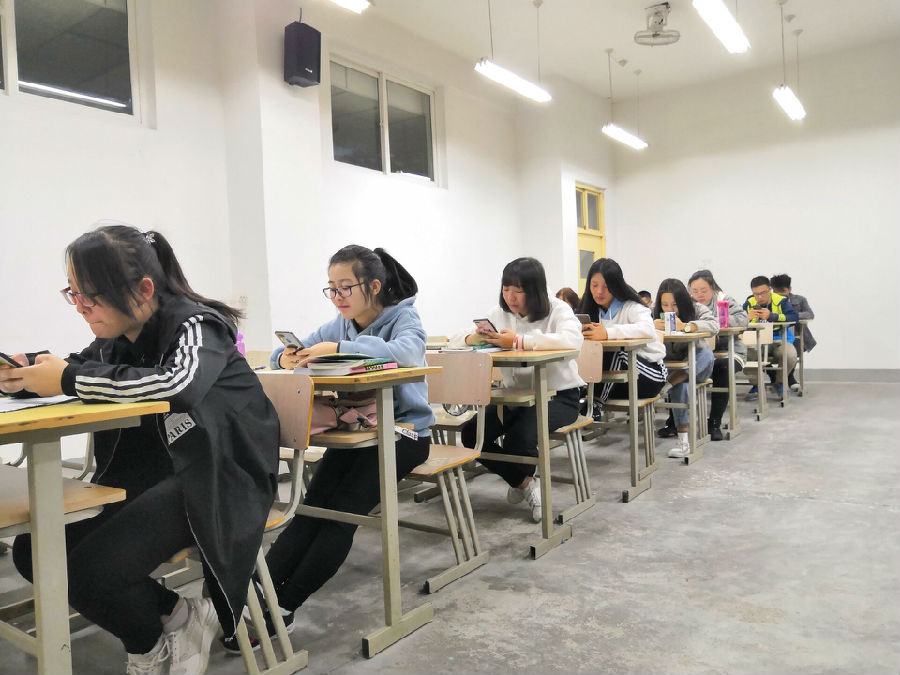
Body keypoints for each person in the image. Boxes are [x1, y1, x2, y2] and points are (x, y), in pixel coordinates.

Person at [0, 224, 279, 675]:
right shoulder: (116, 338)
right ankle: (179, 616)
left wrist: (67, 377)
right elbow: (78, 368)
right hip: (161, 474)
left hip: (220, 476)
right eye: (73, 293)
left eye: (90, 295)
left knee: (92, 571)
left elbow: (178, 385)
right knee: (34, 551)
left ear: (144, 289)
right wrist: (26, 375)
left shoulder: (198, 326)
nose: (81, 306)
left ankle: (148, 648)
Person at [262, 245, 433, 638]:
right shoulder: (340, 324)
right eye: (331, 288)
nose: (337, 296)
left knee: (342, 512)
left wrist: (340, 350)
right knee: (314, 507)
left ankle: (285, 605)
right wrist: (286, 358)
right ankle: (261, 591)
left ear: (373, 286)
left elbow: (408, 354)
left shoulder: (404, 317)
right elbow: (284, 353)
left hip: (404, 433)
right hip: (360, 433)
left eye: (345, 287)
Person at [448, 257, 583, 522]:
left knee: (519, 438)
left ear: (535, 290)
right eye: (506, 288)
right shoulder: (499, 314)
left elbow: (572, 340)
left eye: (518, 290)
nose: (510, 297)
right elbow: (455, 340)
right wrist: (473, 338)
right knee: (471, 434)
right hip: (515, 399)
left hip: (559, 396)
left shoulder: (558, 310)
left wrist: (519, 341)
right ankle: (524, 483)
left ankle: (526, 483)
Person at [578, 258, 668, 402]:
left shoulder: (632, 307)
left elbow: (648, 329)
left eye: (606, 287)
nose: (599, 291)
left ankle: (595, 403)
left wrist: (607, 333)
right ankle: (582, 398)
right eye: (594, 285)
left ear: (616, 286)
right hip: (618, 382)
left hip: (651, 376)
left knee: (618, 353)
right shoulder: (590, 310)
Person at [675, 269, 748, 441]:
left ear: (713, 288)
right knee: (679, 370)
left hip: (729, 352)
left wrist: (715, 321)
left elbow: (743, 318)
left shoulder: (724, 300)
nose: (699, 294)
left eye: (704, 290)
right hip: (699, 352)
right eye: (694, 291)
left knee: (722, 368)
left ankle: (714, 422)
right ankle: (675, 422)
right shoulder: (687, 304)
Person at [652, 278, 718, 458]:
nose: (669, 309)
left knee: (707, 354)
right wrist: (651, 326)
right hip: (669, 368)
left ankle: (672, 381)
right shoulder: (653, 313)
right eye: (665, 305)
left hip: (698, 366)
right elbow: (637, 327)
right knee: (682, 386)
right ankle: (683, 442)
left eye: (674, 304)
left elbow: (714, 325)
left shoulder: (696, 308)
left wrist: (688, 326)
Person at [742, 275, 799, 400]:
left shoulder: (781, 301)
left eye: (763, 293)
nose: (759, 297)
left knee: (790, 354)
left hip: (778, 340)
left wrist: (773, 316)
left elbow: (794, 317)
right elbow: (738, 319)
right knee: (743, 353)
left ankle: (780, 382)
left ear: (770, 289)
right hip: (757, 341)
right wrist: (746, 317)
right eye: (756, 294)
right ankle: (757, 385)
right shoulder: (749, 302)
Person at [770, 273, 816, 392]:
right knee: (760, 351)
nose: (780, 294)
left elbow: (810, 314)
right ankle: (776, 378)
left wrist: (789, 315)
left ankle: (787, 379)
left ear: (789, 289)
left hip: (796, 336)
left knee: (793, 348)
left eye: (783, 291)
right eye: (776, 291)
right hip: (773, 336)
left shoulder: (799, 300)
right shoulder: (769, 301)